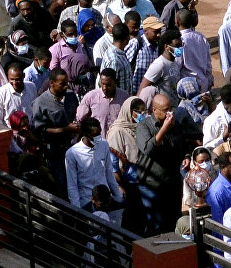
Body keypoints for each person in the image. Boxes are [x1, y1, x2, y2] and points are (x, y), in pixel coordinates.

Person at [136, 93, 189, 236]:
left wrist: (186, 156)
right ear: (155, 110)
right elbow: (148, 149)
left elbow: (182, 144)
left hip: (171, 182)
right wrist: (164, 128)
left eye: (170, 109)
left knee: (172, 220)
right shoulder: (144, 126)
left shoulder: (175, 124)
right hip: (151, 183)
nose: (169, 113)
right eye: (166, 110)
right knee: (156, 223)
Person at [31, 68, 80, 196]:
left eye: (67, 83)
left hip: (72, 148)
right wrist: (66, 129)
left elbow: (75, 114)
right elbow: (40, 130)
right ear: (52, 83)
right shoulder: (40, 103)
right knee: (60, 186)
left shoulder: (70, 96)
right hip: (54, 153)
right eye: (62, 84)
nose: (66, 87)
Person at [65, 117, 123, 210]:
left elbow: (109, 173)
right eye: (96, 135)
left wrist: (119, 198)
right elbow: (72, 185)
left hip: (105, 200)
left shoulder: (104, 145)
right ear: (85, 134)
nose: (99, 137)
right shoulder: (72, 153)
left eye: (100, 133)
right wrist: (77, 210)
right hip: (87, 201)